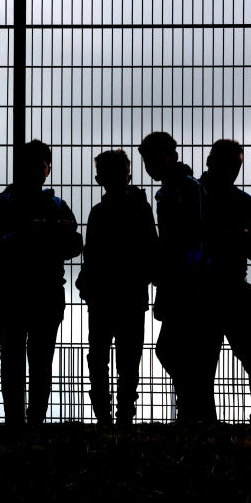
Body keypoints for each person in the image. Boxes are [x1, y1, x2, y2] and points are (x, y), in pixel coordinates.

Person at [0, 139, 82, 427]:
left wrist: (22, 240)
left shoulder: (4, 202)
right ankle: (29, 419)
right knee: (35, 359)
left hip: (20, 289)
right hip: (42, 289)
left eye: (39, 166)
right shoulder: (56, 206)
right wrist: (48, 241)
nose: (37, 172)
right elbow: (73, 243)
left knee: (19, 358)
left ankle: (21, 419)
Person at [139, 131, 220, 423]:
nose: (148, 165)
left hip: (187, 281)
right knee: (180, 350)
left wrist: (183, 271)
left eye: (151, 158)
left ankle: (192, 409)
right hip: (182, 278)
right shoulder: (174, 188)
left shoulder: (184, 188)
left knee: (172, 349)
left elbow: (196, 235)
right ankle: (193, 411)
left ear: (169, 156)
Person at [76, 149, 158, 426]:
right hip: (131, 293)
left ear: (99, 179)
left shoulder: (98, 212)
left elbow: (91, 253)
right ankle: (124, 412)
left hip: (102, 294)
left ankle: (104, 413)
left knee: (99, 355)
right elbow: (151, 249)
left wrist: (87, 283)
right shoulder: (141, 208)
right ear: (129, 174)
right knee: (128, 356)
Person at [199, 139, 251, 424]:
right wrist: (240, 235)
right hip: (226, 287)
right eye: (232, 165)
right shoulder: (242, 202)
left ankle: (204, 424)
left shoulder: (197, 196)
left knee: (202, 365)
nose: (234, 171)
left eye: (236, 166)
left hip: (209, 289)